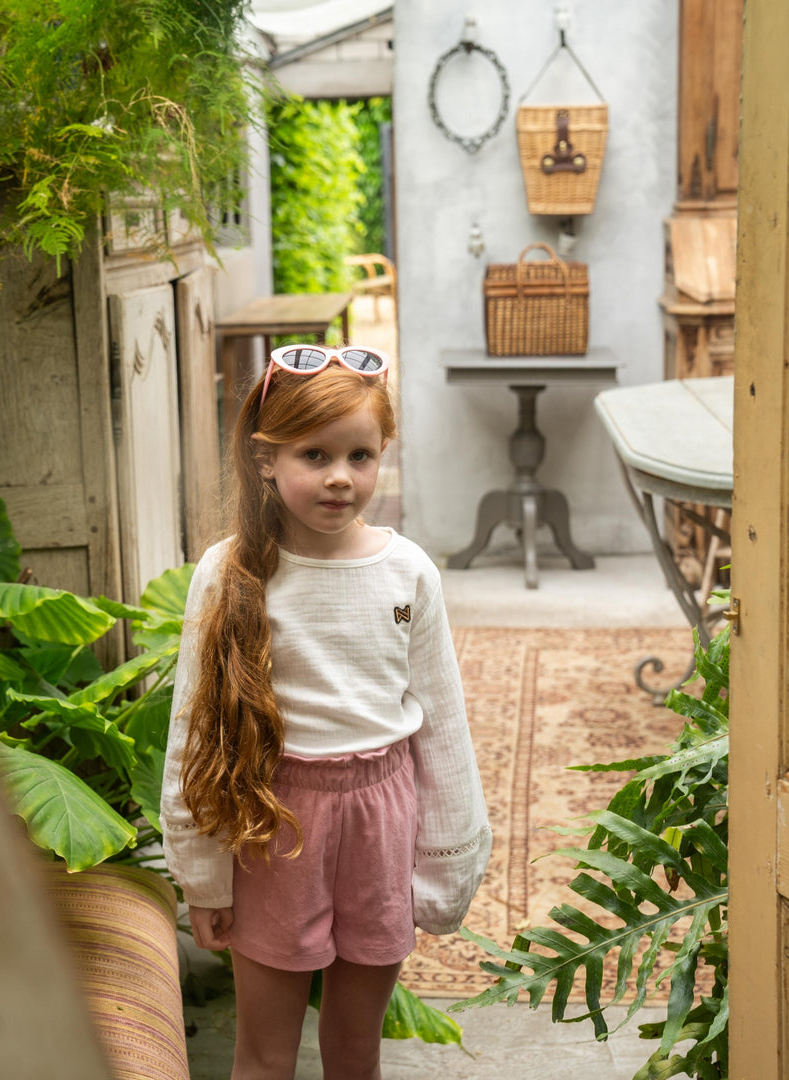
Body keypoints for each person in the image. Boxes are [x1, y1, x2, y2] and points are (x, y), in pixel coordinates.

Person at [160, 344, 491, 1080]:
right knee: (265, 1055)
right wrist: (204, 878)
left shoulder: (408, 572)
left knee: (355, 1052)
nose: (342, 477)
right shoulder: (230, 572)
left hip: (381, 817)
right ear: (265, 460)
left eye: (362, 455)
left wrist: (445, 864)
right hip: (272, 823)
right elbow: (196, 731)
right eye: (315, 454)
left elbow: (440, 725)